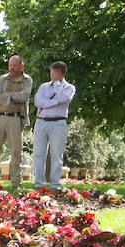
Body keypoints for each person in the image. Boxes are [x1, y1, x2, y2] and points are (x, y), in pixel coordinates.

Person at [0, 54, 32, 189]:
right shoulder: (2, 79)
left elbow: (24, 97)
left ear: (21, 66)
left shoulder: (27, 80)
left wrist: (7, 95)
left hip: (16, 118)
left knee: (16, 152)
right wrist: (13, 97)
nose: (12, 68)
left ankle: (16, 182)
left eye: (15, 65)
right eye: (10, 65)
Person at [32, 61, 76, 189]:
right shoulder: (44, 86)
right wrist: (54, 102)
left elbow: (65, 99)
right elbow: (38, 101)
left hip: (58, 123)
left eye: (53, 72)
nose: (51, 74)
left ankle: (55, 183)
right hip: (41, 121)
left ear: (59, 73)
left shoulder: (69, 87)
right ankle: (39, 183)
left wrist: (57, 85)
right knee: (39, 154)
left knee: (57, 154)